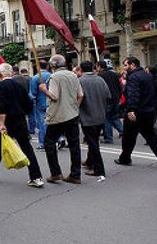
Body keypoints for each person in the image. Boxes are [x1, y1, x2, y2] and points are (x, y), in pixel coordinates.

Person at [0, 63, 44, 187]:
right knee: (27, 148)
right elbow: (29, 104)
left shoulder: (0, 86)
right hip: (20, 120)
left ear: (0, 74)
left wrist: (2, 124)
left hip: (7, 121)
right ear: (11, 73)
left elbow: (1, 106)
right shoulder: (19, 86)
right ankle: (36, 177)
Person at [39, 54, 84, 184]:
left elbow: (54, 96)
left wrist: (44, 90)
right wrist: (75, 107)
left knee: (49, 142)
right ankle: (75, 174)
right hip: (72, 115)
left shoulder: (55, 77)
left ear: (53, 65)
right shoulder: (73, 75)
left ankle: (55, 172)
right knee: (74, 145)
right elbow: (80, 95)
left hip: (58, 116)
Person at [114, 57, 157, 167]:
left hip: (137, 111)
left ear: (133, 65)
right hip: (148, 110)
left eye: (126, 65)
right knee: (151, 135)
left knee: (128, 137)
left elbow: (133, 94)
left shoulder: (133, 77)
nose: (124, 68)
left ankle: (125, 158)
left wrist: (131, 109)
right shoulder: (147, 76)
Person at [78, 61, 111, 182]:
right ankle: (90, 162)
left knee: (93, 143)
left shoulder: (80, 81)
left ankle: (99, 169)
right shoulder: (100, 79)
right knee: (94, 140)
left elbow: (77, 97)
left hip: (87, 116)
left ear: (81, 69)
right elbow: (108, 95)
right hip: (100, 115)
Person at [96, 60, 123, 143]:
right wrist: (119, 97)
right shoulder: (114, 74)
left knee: (107, 118)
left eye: (97, 66)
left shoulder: (100, 76)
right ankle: (123, 131)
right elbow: (119, 87)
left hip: (107, 100)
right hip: (115, 99)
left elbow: (100, 89)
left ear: (100, 67)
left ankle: (108, 137)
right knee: (114, 117)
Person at [30, 60, 52, 150]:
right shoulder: (52, 76)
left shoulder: (35, 78)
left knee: (42, 124)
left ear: (38, 67)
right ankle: (57, 139)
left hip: (40, 103)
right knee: (53, 122)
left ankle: (43, 143)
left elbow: (32, 93)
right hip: (52, 102)